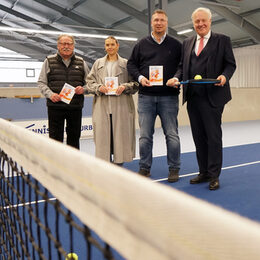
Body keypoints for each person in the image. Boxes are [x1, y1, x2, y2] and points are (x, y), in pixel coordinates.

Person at [167, 7, 236, 190]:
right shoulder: (187, 42)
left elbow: (230, 64)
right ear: (193, 23)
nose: (200, 24)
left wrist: (224, 76)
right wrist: (176, 78)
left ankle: (214, 175)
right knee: (198, 137)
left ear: (210, 21)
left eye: (203, 20)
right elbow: (182, 67)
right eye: (197, 21)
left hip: (213, 97)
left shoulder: (222, 40)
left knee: (213, 137)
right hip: (193, 97)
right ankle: (203, 172)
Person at [127, 9, 182, 182]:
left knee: (172, 135)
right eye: (156, 20)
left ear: (167, 23)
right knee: (145, 136)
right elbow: (131, 64)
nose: (159, 23)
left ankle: (174, 168)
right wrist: (140, 78)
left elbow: (183, 65)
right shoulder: (141, 44)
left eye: (162, 20)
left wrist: (176, 77)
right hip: (146, 97)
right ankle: (144, 168)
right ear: (152, 23)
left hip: (169, 97)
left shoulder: (176, 44)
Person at [87, 36, 138, 165]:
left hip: (121, 107)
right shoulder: (98, 63)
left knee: (120, 139)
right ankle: (106, 166)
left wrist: (124, 87)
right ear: (105, 47)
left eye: (112, 44)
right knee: (103, 139)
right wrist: (99, 87)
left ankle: (119, 164)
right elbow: (89, 82)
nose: (110, 47)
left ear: (117, 45)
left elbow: (135, 83)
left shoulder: (126, 63)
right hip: (102, 107)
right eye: (107, 45)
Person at [38, 34, 89, 149]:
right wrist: (50, 95)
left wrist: (84, 89)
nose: (66, 46)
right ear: (58, 45)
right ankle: (55, 166)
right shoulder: (49, 61)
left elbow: (90, 83)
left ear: (73, 46)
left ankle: (73, 166)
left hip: (75, 107)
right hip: (55, 107)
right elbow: (41, 82)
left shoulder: (81, 62)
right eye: (63, 43)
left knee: (74, 138)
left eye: (69, 44)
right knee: (55, 140)